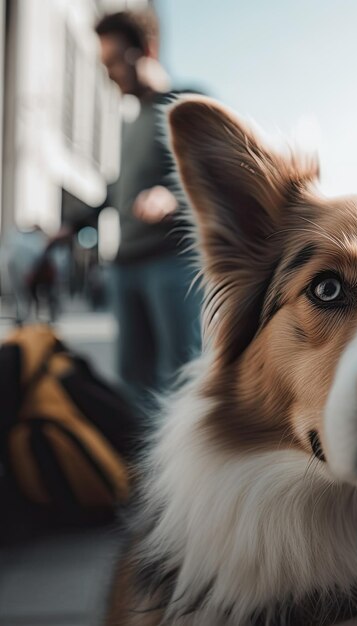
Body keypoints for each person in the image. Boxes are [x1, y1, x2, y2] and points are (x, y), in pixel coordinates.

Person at [58, 9, 202, 414]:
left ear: (147, 51)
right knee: (131, 382)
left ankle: (177, 478)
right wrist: (72, 224)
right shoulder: (130, 120)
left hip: (170, 263)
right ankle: (132, 473)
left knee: (177, 377)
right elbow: (117, 191)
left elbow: (220, 177)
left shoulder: (185, 106)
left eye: (114, 62)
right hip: (125, 266)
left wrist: (174, 198)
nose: (109, 75)